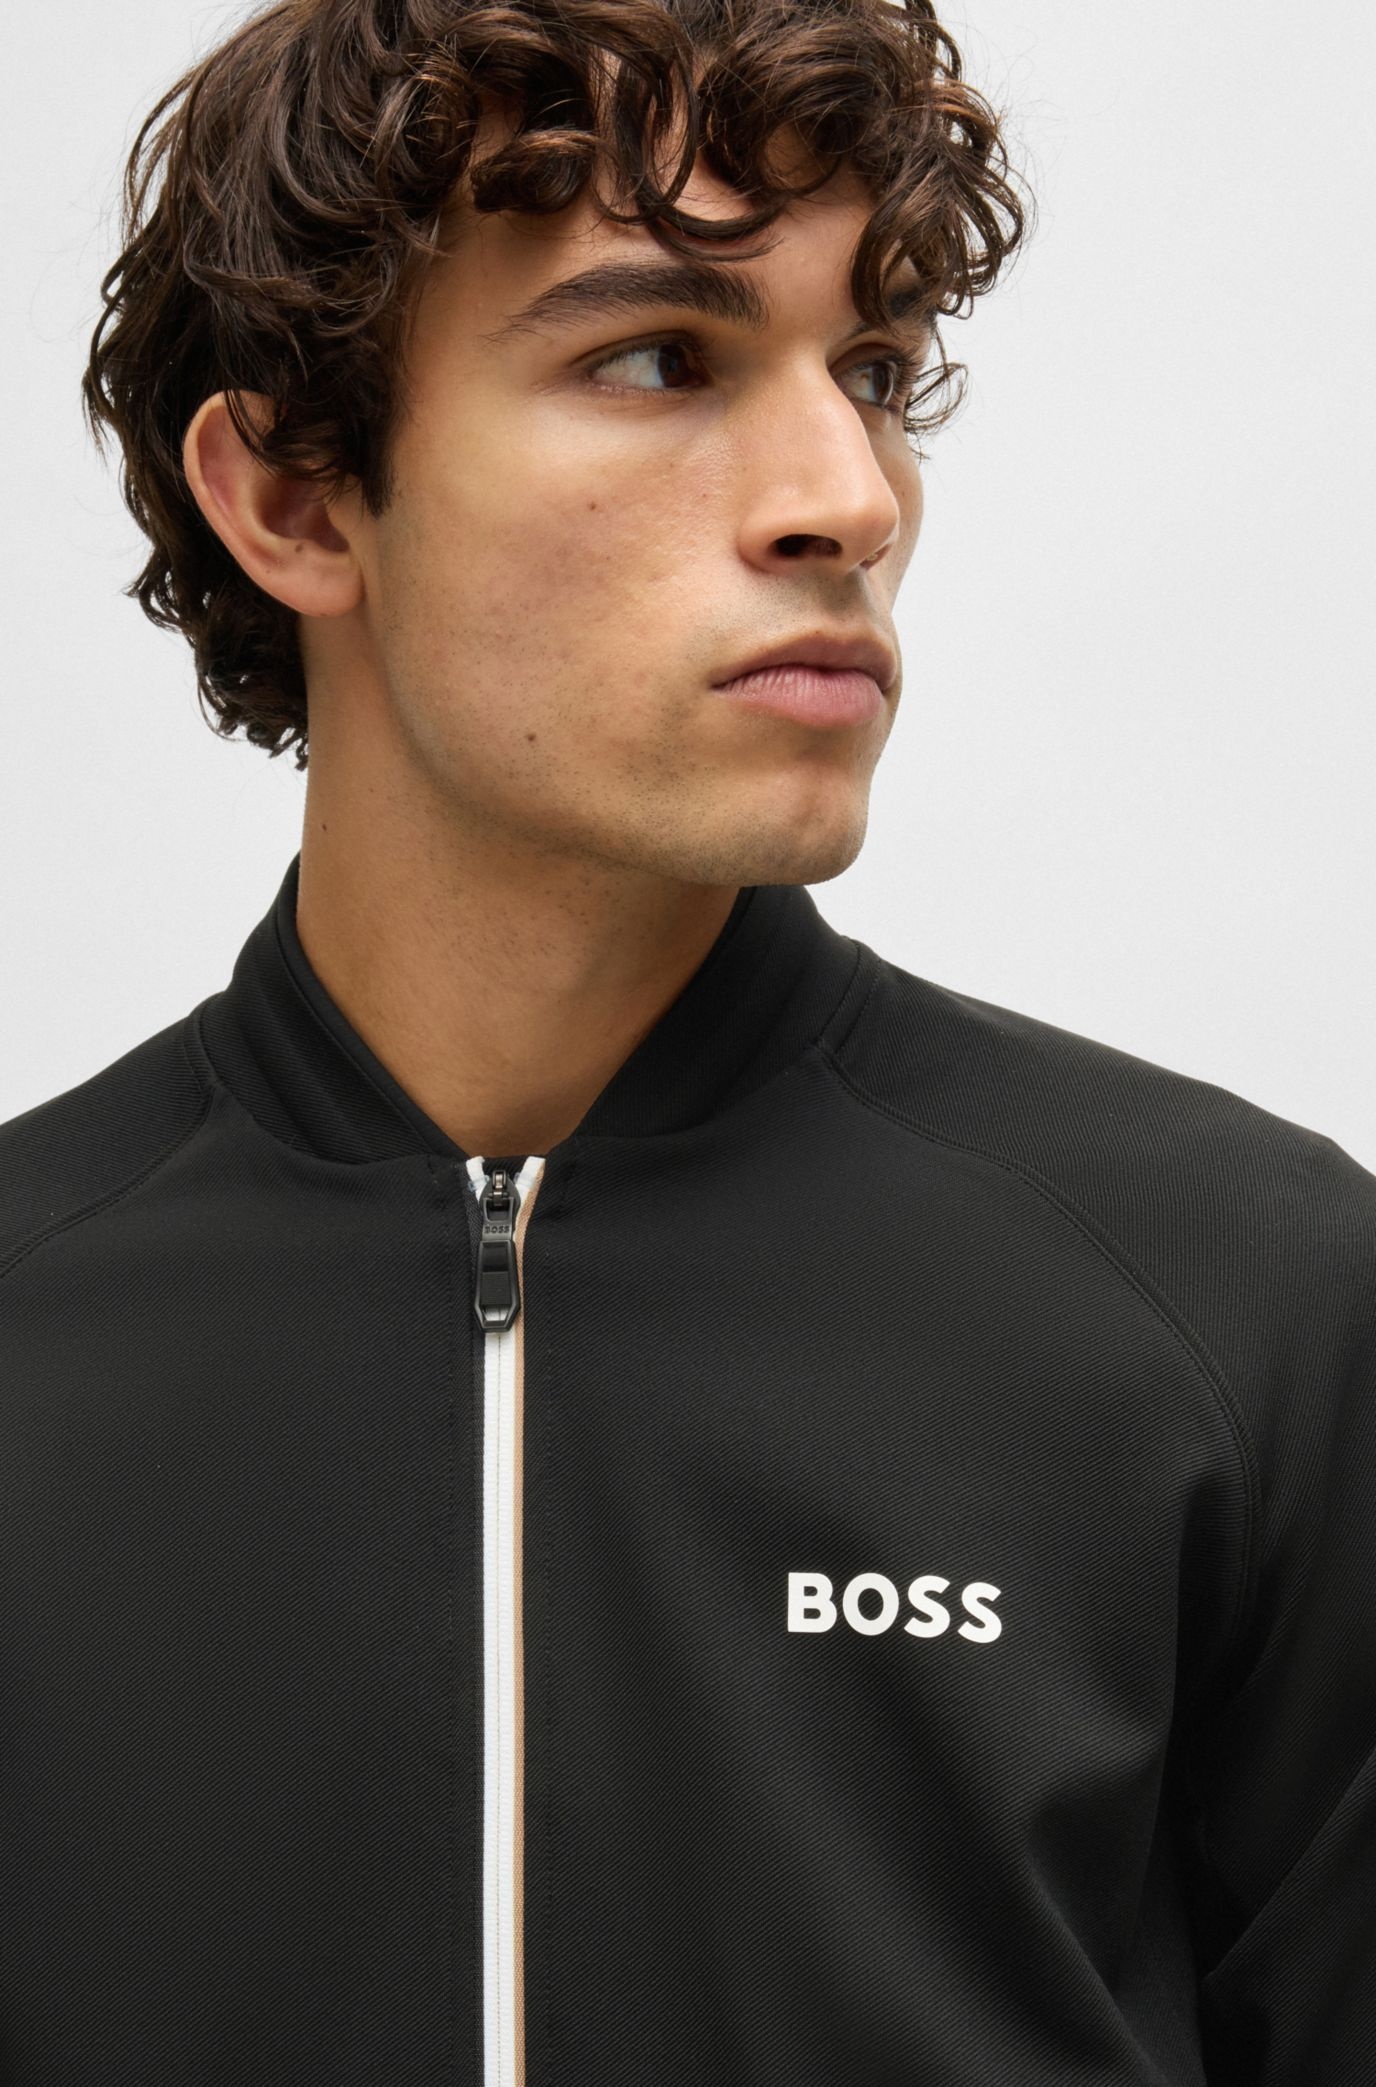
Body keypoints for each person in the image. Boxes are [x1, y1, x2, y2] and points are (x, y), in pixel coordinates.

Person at [1, 0, 1371, 2078]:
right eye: (659, 359)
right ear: (292, 497)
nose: (849, 497)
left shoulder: (1254, 1306)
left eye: (873, 371)